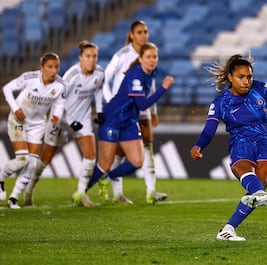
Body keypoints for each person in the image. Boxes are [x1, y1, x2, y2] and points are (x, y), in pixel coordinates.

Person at [190, 54, 267, 241]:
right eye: (241, 77)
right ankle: (254, 195)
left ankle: (228, 229)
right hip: (241, 141)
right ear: (230, 77)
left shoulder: (260, 88)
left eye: (249, 77)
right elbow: (208, 131)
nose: (246, 81)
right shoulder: (220, 103)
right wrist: (198, 146)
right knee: (244, 170)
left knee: (262, 182)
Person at [80, 42, 173, 206]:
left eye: (154, 57)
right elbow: (143, 104)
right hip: (114, 119)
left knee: (137, 162)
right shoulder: (135, 76)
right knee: (104, 164)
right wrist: (163, 89)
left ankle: (107, 179)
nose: (152, 60)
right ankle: (81, 193)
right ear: (141, 59)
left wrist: (155, 111)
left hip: (129, 121)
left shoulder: (151, 72)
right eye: (148, 57)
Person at [22, 40, 106, 207]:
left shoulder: (99, 73)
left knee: (90, 156)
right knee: (45, 159)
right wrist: (67, 122)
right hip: (61, 119)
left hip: (82, 119)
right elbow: (57, 101)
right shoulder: (71, 76)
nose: (92, 60)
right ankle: (29, 191)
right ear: (80, 58)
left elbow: (98, 89)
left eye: (94, 56)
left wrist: (100, 110)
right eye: (88, 56)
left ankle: (80, 193)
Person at [102, 20, 167, 204]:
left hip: (142, 107)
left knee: (148, 145)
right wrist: (111, 102)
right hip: (124, 109)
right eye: (139, 32)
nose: (143, 34)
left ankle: (151, 190)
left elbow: (151, 85)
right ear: (131, 35)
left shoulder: (149, 53)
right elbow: (106, 77)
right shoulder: (122, 55)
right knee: (120, 152)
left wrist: (153, 110)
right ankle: (117, 193)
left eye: (145, 31)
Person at [0, 52, 66, 209]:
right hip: (18, 120)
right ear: (42, 68)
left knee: (33, 163)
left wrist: (56, 116)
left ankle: (14, 198)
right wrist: (16, 109)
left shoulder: (60, 85)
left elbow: (59, 104)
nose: (54, 71)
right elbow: (7, 89)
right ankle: (1, 178)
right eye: (50, 67)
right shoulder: (29, 78)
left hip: (37, 125)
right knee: (22, 159)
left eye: (56, 67)